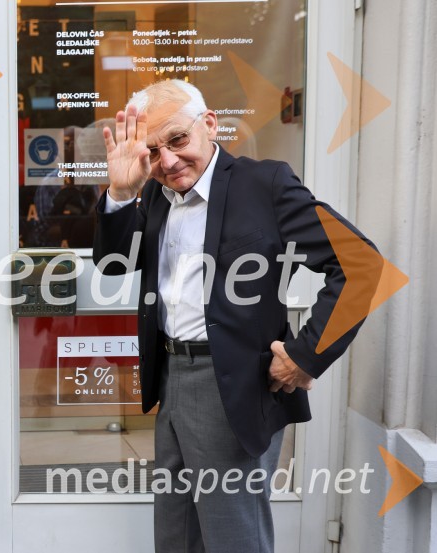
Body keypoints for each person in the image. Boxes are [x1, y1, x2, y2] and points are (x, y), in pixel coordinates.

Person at [92, 80, 375, 552]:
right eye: (154, 149)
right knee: (177, 536)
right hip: (170, 380)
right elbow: (115, 266)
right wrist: (121, 194)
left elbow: (360, 265)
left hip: (233, 388)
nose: (167, 161)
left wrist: (306, 356)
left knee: (232, 539)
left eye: (178, 140)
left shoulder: (264, 184)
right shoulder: (157, 194)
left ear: (209, 124)